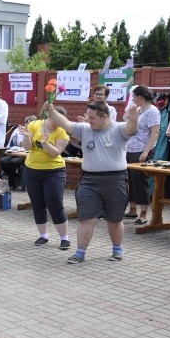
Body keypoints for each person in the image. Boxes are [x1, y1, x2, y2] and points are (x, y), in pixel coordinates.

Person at [46, 99, 139, 263]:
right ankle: (79, 253)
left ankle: (117, 250)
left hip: (115, 180)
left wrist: (133, 119)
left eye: (91, 117)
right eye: (87, 117)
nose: (87, 120)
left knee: (115, 219)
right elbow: (67, 125)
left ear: (104, 116)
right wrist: (52, 111)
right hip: (89, 181)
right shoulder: (85, 129)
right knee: (86, 218)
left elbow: (130, 129)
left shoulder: (118, 129)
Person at [21, 108, 70, 248]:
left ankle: (64, 238)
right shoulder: (34, 125)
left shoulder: (62, 132)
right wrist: (26, 136)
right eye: (56, 121)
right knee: (37, 204)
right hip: (32, 169)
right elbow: (27, 148)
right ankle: (43, 235)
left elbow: (55, 153)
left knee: (55, 204)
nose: (58, 124)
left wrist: (45, 143)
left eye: (61, 122)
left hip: (54, 171)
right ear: (50, 116)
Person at [124, 85, 161, 225]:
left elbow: (155, 132)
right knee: (131, 180)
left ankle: (144, 213)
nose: (132, 99)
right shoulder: (138, 109)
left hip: (142, 149)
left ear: (140, 97)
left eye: (133, 97)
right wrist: (131, 110)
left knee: (141, 181)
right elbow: (126, 119)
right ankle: (132, 208)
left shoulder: (152, 111)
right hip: (130, 148)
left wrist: (146, 151)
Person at [0, 115, 36, 190]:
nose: (28, 126)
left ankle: (11, 183)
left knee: (13, 162)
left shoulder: (35, 132)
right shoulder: (19, 131)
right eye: (27, 124)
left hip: (27, 155)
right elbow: (14, 143)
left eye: (30, 124)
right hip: (17, 153)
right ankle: (15, 177)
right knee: (3, 161)